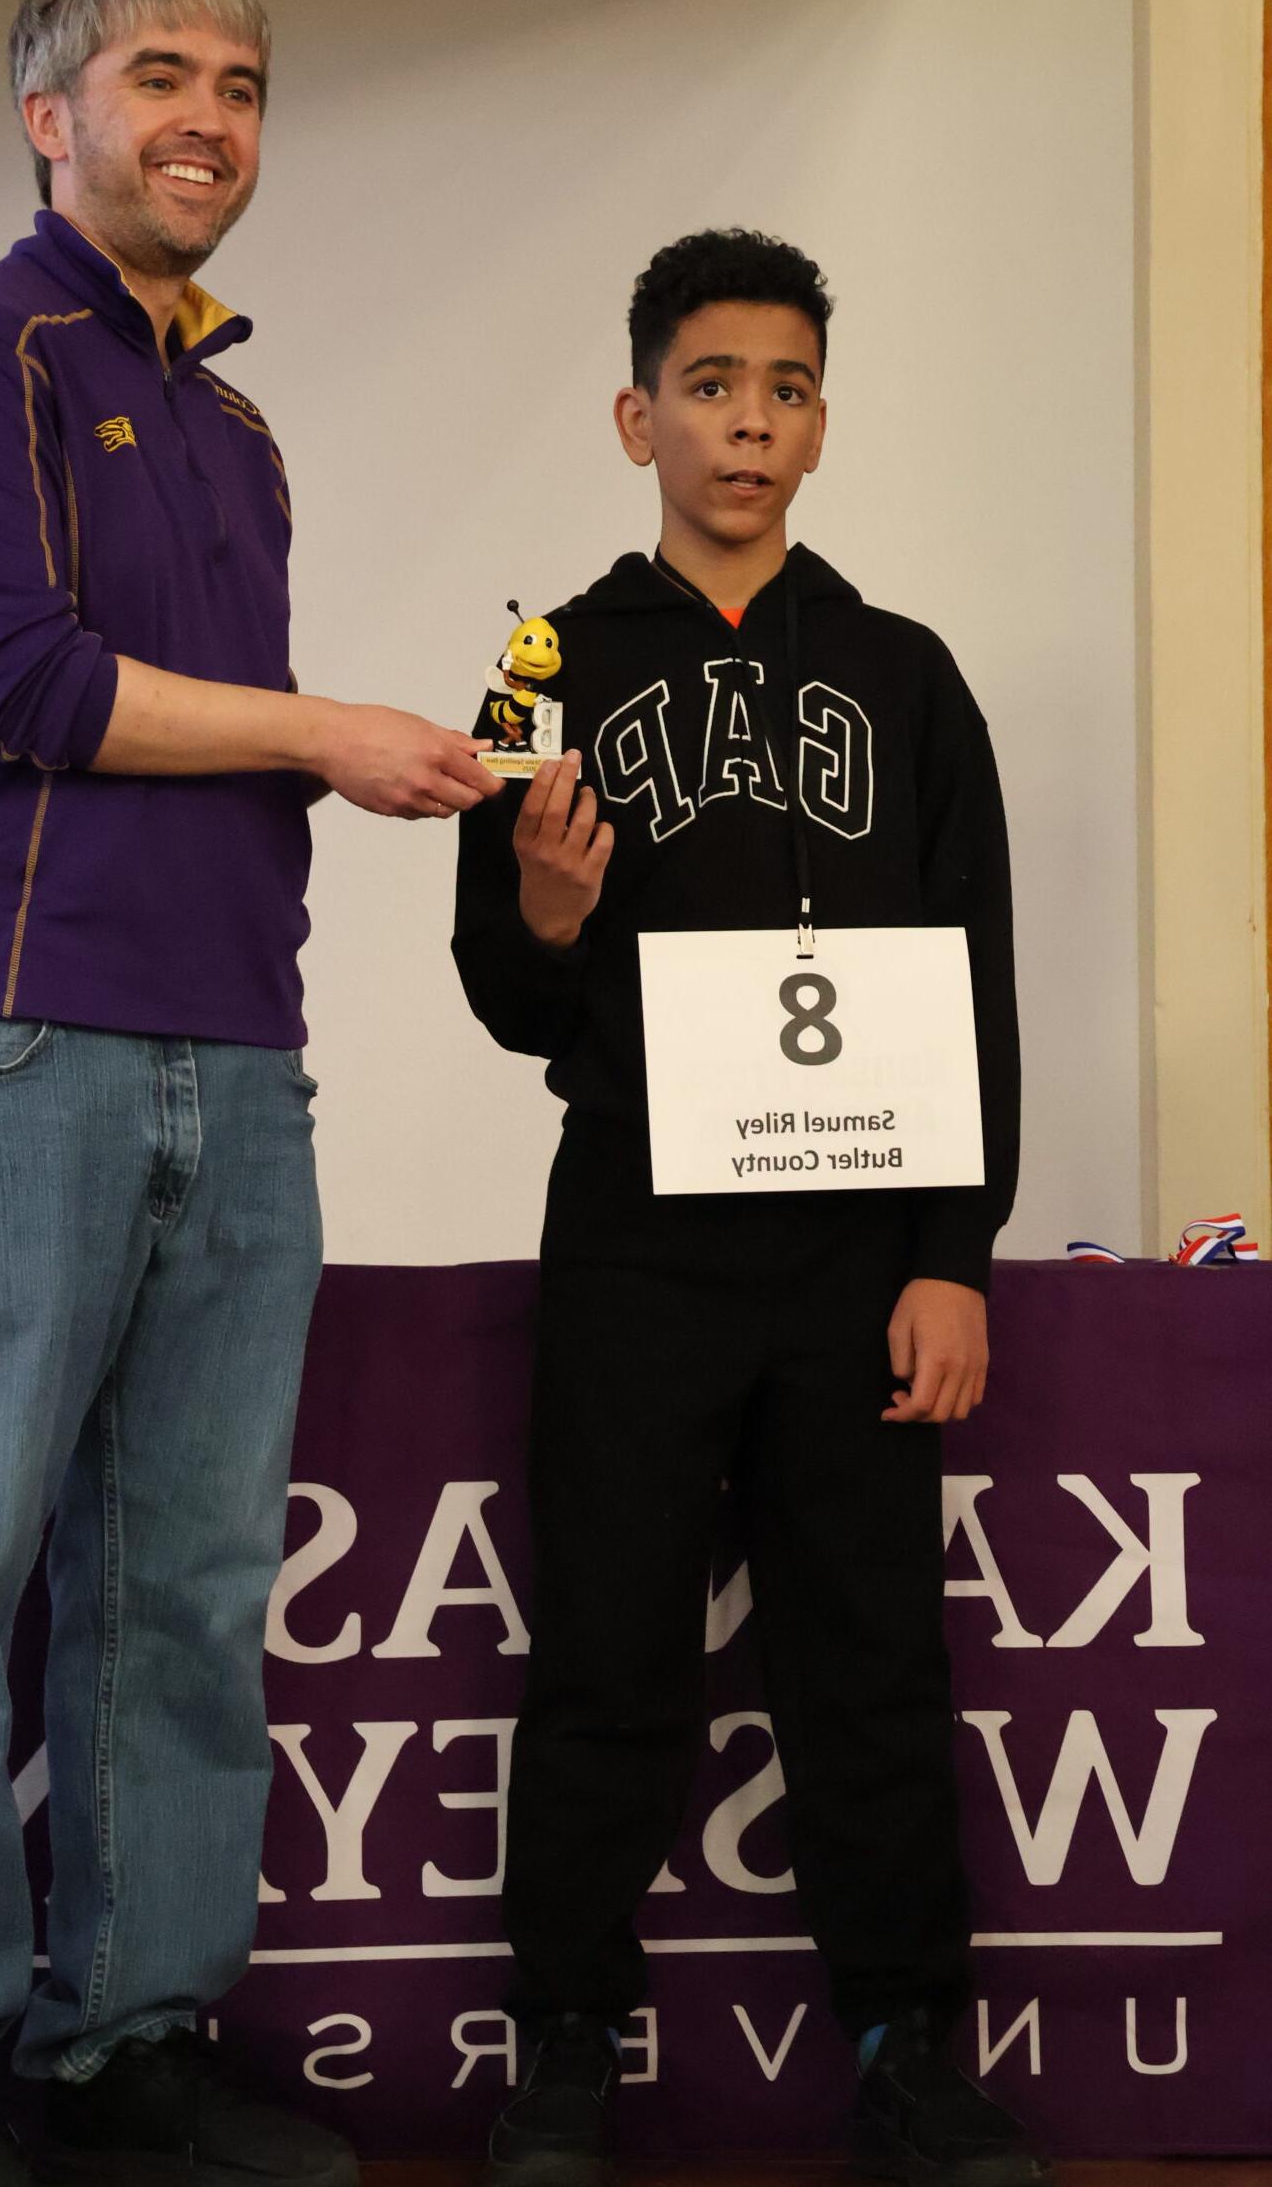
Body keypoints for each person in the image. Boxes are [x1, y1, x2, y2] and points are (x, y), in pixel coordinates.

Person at [0, 0, 502, 2187]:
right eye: (156, 74)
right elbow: (19, 682)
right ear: (49, 116)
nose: (207, 114)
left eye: (242, 83)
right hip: (3, 1050)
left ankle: (132, 2043)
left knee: (188, 1582)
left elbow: (200, 753)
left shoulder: (232, 420)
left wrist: (383, 777)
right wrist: (325, 727)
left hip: (238, 1058)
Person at [452, 230, 1046, 2187]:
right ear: (638, 414)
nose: (746, 418)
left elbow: (971, 978)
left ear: (817, 421)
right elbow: (503, 990)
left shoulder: (900, 675)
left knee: (866, 1653)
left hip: (851, 1250)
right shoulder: (547, 662)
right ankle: (557, 2054)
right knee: (604, 1652)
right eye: (710, 383)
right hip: (632, 1233)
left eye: (782, 385)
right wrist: (542, 914)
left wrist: (950, 1251)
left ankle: (908, 2047)